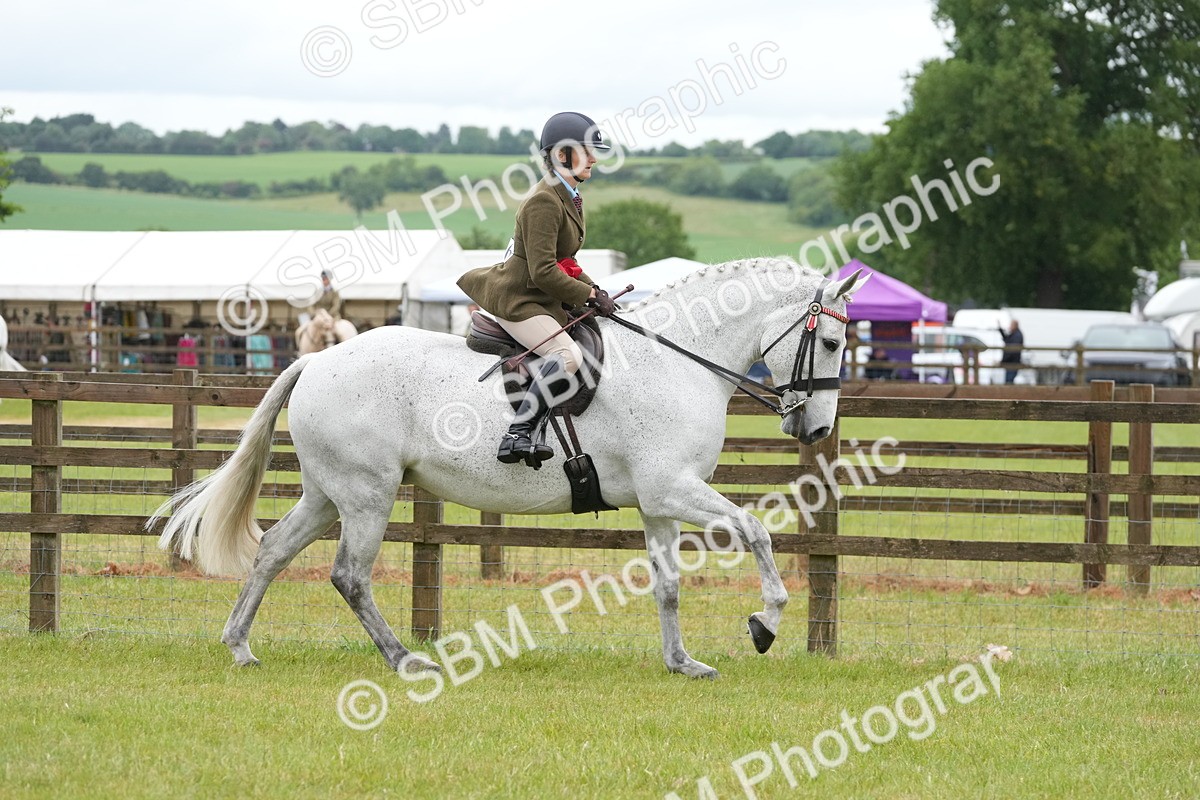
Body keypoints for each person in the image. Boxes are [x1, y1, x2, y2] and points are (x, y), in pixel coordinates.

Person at [457, 111, 617, 467]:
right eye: (586, 151)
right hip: (520, 299)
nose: (594, 158)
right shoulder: (544, 200)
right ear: (562, 155)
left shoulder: (569, 195)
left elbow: (565, 262)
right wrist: (587, 295)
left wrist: (595, 289)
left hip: (541, 296)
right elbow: (544, 271)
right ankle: (519, 432)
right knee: (567, 356)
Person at [998, 319, 1024, 384]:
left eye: (1011, 325)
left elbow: (1012, 350)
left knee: (1009, 381)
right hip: (1011, 362)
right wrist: (1000, 330)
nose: (1009, 326)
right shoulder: (1015, 334)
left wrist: (1004, 360)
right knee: (1008, 381)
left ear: (1015, 326)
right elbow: (1007, 339)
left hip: (1012, 362)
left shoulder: (1017, 336)